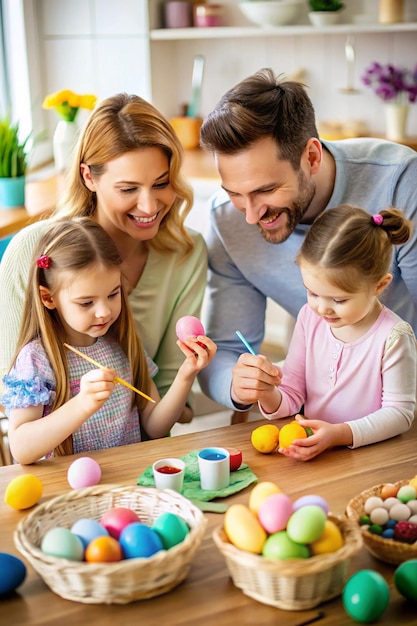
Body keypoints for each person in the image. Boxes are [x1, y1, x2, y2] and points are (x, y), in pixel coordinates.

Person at [197, 67, 417, 412]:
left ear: (311, 156)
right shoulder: (226, 217)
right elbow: (225, 350)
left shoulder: (400, 181)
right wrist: (240, 386)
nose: (251, 216)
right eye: (234, 193)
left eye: (266, 190)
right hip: (315, 413)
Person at [0, 93, 207, 425]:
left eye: (161, 183)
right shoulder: (31, 251)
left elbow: (170, 410)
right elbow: (12, 403)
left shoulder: (186, 252)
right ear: (88, 177)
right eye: (128, 189)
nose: (149, 206)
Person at [1, 219, 216, 465]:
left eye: (113, 294)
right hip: (68, 491)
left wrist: (186, 374)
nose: (104, 312)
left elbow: (154, 426)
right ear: (48, 298)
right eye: (86, 302)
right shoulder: (36, 359)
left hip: (127, 481)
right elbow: (21, 448)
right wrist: (82, 404)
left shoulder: (123, 344)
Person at [252, 204, 416, 461]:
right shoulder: (310, 317)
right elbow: (293, 392)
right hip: (316, 456)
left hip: (370, 460)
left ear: (379, 285)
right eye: (313, 292)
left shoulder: (393, 336)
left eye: (339, 300)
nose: (322, 308)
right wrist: (268, 393)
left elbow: (400, 414)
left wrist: (340, 434)